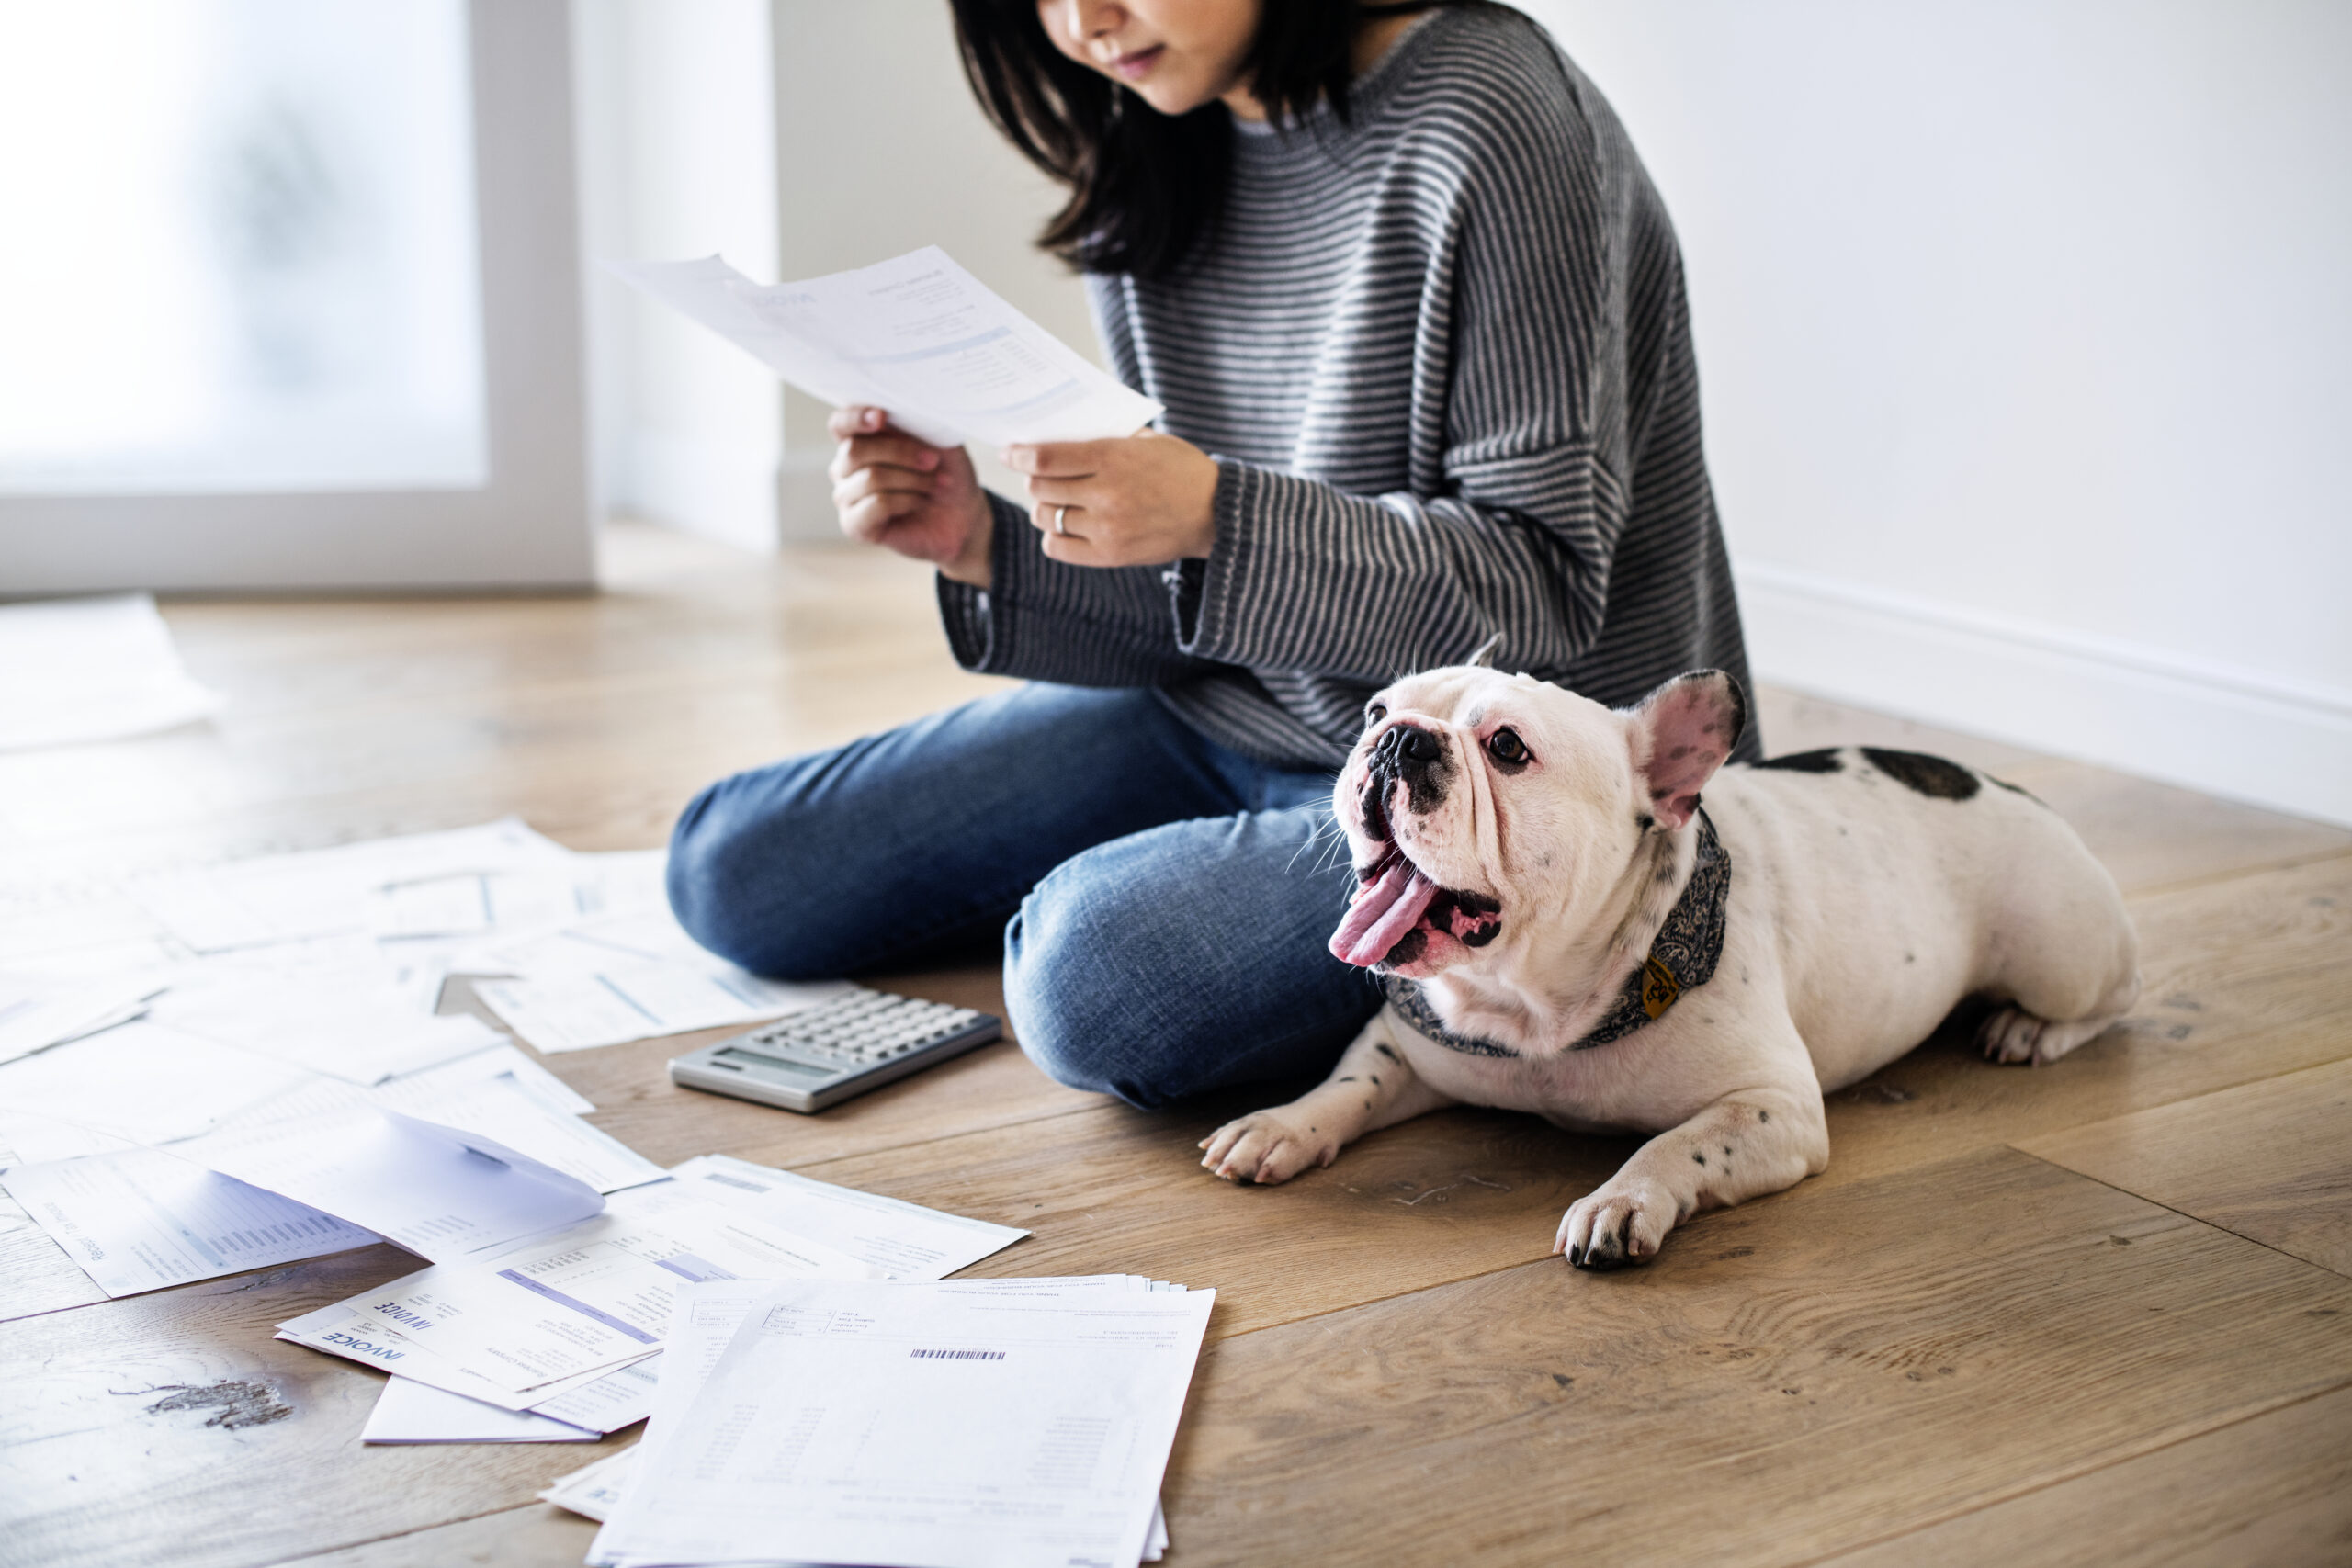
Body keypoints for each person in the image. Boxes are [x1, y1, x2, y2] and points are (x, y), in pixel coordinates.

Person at [665, 0, 1760, 1109]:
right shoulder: (1155, 132)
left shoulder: (1490, 108)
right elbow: (1203, 596)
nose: (1086, 21)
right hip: (1227, 704)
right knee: (730, 869)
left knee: (1096, 983)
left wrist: (1212, 515)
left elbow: (1535, 590)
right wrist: (981, 541)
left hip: (1508, 785)